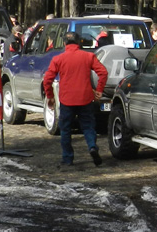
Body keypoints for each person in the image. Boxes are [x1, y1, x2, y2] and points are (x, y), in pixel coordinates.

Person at [43, 31, 108, 168]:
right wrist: (99, 91)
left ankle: (68, 158)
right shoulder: (88, 56)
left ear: (65, 43)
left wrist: (50, 97)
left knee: (65, 129)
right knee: (89, 127)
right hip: (86, 97)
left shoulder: (58, 59)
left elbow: (47, 80)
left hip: (67, 99)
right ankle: (92, 147)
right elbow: (103, 72)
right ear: (79, 42)